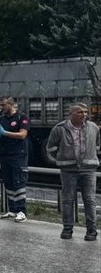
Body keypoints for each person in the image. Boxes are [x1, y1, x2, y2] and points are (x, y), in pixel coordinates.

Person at [45, 103, 99, 241]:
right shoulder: (60, 128)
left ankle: (91, 231)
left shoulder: (93, 127)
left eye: (85, 112)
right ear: (71, 114)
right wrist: (59, 160)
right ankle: (67, 229)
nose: (84, 115)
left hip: (88, 169)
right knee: (68, 200)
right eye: (80, 112)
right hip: (68, 170)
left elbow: (97, 144)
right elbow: (50, 147)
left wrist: (93, 157)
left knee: (90, 200)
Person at [0, 96, 30, 222]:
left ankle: (22, 211)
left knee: (19, 182)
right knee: (8, 182)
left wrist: (5, 133)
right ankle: (12, 209)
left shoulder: (22, 118)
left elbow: (22, 135)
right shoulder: (1, 119)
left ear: (11, 104)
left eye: (3, 105)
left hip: (18, 155)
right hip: (4, 154)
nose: (1, 108)